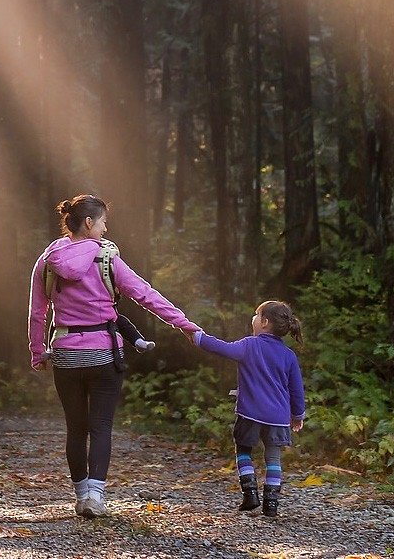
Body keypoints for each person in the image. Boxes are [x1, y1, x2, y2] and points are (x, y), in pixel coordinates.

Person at [27, 194, 201, 518]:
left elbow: (38, 312)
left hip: (65, 354)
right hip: (105, 354)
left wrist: (38, 351)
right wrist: (185, 325)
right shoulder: (107, 259)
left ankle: (80, 497)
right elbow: (146, 295)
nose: (106, 230)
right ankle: (96, 496)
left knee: (75, 428)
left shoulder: (47, 260)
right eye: (104, 222)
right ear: (89, 223)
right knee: (101, 426)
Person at [186, 300, 306, 517]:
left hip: (250, 413)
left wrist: (197, 337)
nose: (253, 318)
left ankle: (250, 493)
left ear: (265, 322)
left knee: (243, 450)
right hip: (278, 417)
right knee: (273, 458)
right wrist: (297, 415)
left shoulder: (249, 345)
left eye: (256, 314)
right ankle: (271, 504)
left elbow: (221, 347)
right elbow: (296, 390)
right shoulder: (289, 355)